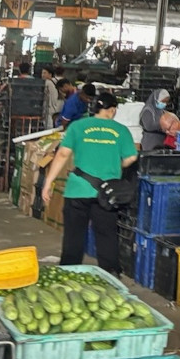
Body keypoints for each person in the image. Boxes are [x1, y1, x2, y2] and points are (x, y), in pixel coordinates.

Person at [41, 91, 138, 272]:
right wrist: (116, 164)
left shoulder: (78, 127)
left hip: (77, 190)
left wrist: (48, 183)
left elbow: (62, 154)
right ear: (111, 110)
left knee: (73, 237)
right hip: (106, 193)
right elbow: (131, 158)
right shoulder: (121, 130)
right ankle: (110, 277)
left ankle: (69, 274)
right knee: (106, 236)